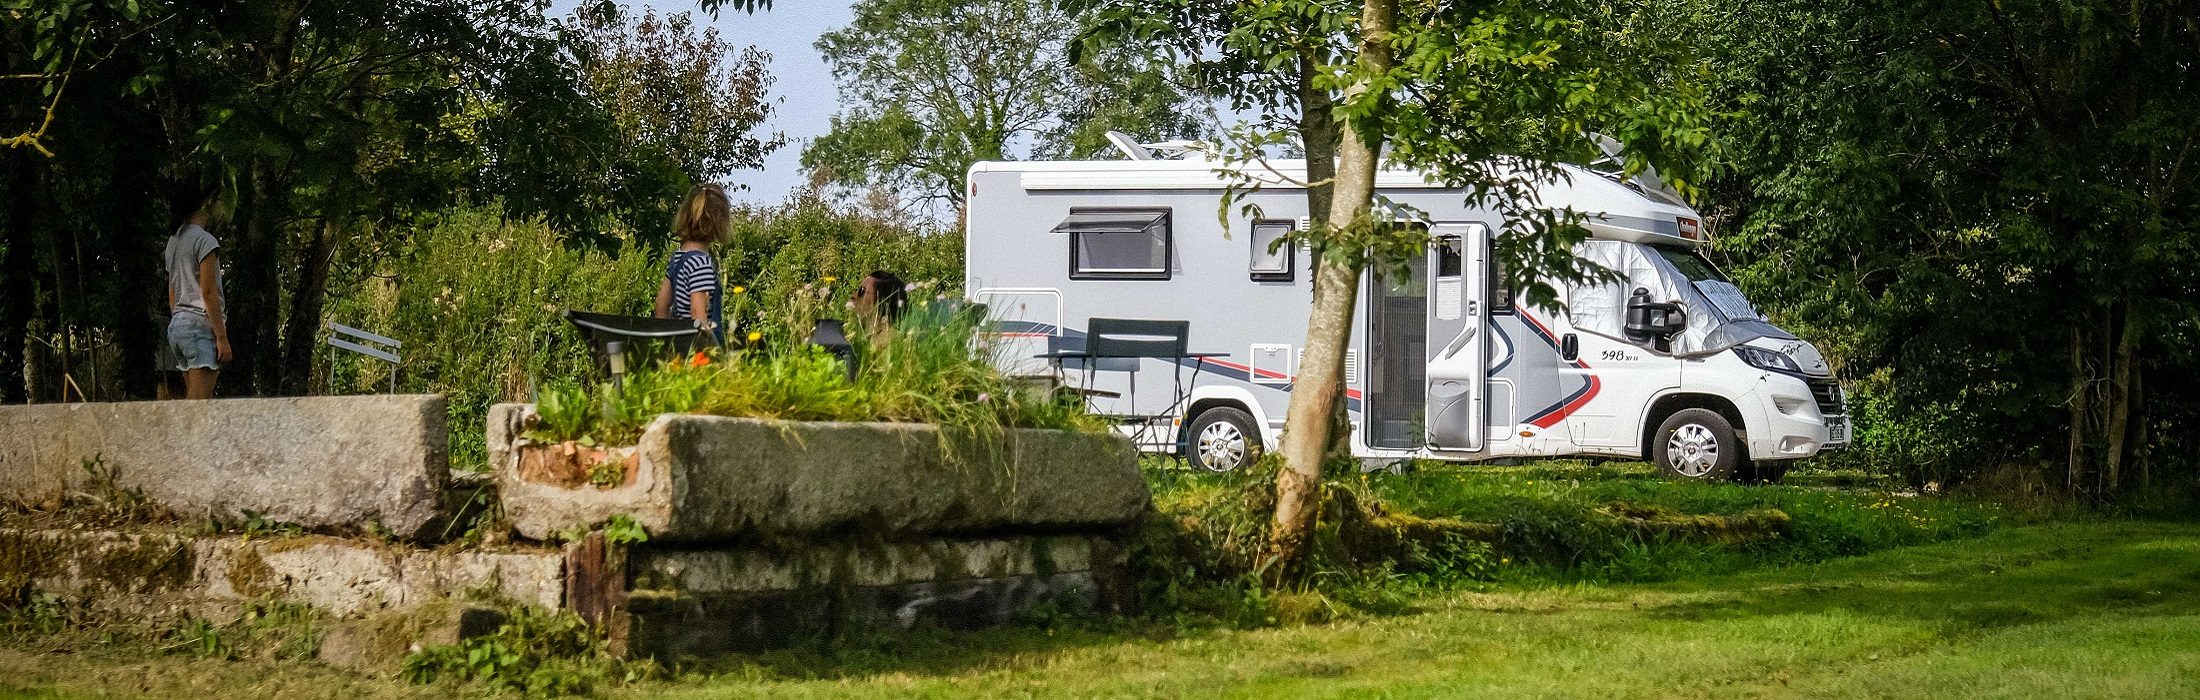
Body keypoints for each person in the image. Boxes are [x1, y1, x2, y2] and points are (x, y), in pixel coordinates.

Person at [163, 192, 231, 399]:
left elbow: (172, 293)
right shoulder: (205, 241)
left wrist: (179, 319)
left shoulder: (173, 241)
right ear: (206, 205)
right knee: (199, 408)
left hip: (178, 326)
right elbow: (208, 291)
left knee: (192, 403)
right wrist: (222, 338)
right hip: (198, 327)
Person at [654, 183, 732, 346]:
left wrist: (666, 345)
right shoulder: (700, 263)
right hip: (699, 352)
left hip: (682, 348)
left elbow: (661, 306)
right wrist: (716, 356)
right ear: (719, 223)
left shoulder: (678, 258)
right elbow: (698, 317)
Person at [853, 270, 908, 344]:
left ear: (882, 300)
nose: (853, 296)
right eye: (856, 290)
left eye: (862, 291)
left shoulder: (897, 345)